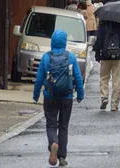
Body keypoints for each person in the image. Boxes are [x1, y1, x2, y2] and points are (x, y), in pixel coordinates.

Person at [33, 30, 84, 167]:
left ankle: (53, 143)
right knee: (63, 126)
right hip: (66, 97)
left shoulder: (46, 57)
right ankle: (62, 156)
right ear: (64, 42)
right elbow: (78, 77)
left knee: (51, 124)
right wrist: (80, 94)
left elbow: (39, 78)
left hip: (50, 96)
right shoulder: (70, 57)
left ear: (52, 41)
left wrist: (36, 94)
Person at [94, 20, 120, 112]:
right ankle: (114, 104)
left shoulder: (102, 27)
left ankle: (104, 97)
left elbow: (98, 43)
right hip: (117, 56)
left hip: (105, 56)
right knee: (116, 80)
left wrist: (97, 55)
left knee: (104, 78)